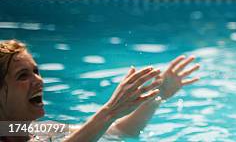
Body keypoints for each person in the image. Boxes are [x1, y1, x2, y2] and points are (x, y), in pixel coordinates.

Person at [0, 39, 199, 141]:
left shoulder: (32, 130)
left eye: (36, 71)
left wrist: (157, 96)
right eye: (22, 75)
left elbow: (115, 132)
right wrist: (110, 110)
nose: (39, 80)